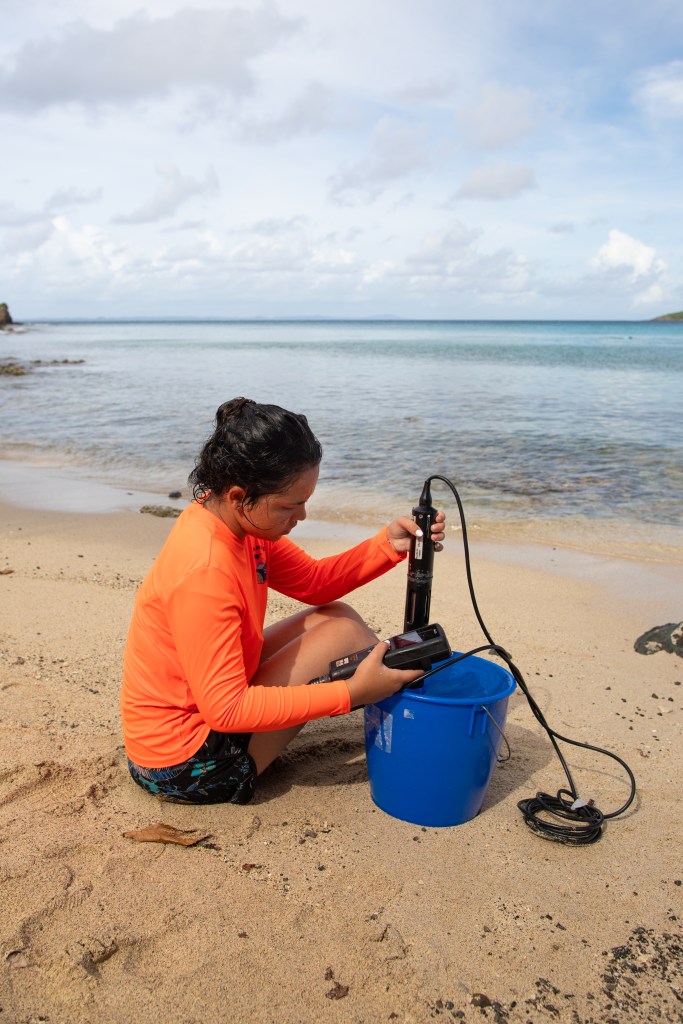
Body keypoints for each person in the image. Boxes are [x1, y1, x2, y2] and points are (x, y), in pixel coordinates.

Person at [121, 397, 446, 805]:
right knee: (344, 635)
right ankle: (398, 712)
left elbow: (314, 583)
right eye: (291, 505)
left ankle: (389, 696)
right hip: (183, 765)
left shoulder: (232, 520)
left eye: (306, 500)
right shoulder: (205, 571)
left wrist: (388, 545)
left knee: (337, 616)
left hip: (197, 714)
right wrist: (352, 694)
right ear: (240, 496)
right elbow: (227, 710)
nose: (303, 516)